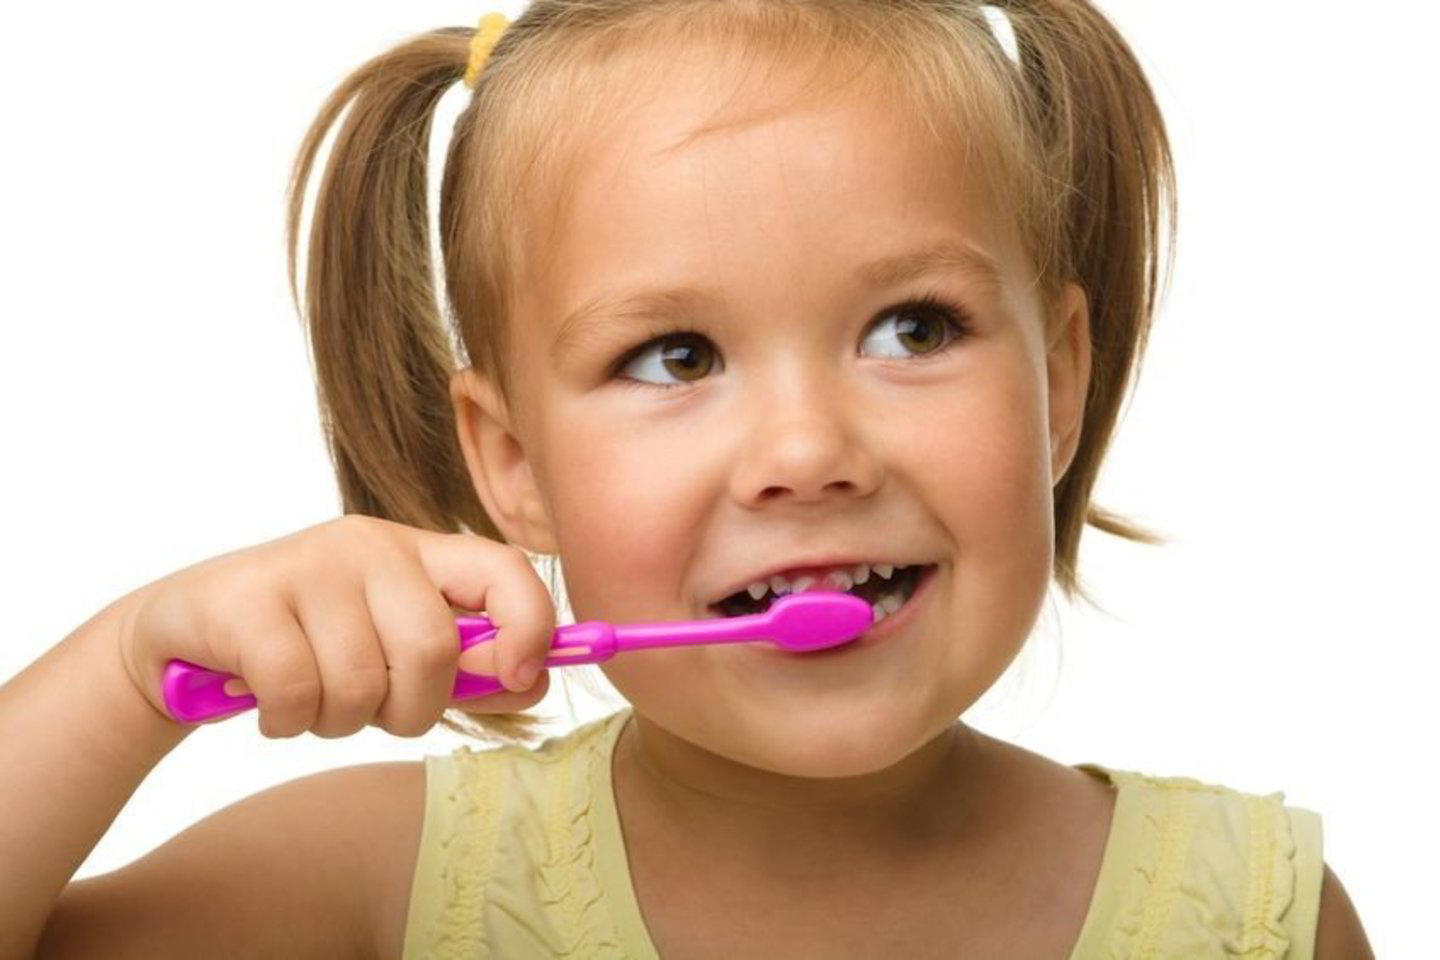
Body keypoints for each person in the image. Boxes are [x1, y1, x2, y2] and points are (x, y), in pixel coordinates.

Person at [1, 1, 1376, 957]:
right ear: (514, 466)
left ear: (1058, 382)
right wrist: (125, 676)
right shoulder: (379, 887)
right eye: (675, 357)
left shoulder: (1260, 916)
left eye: (914, 330)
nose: (807, 454)